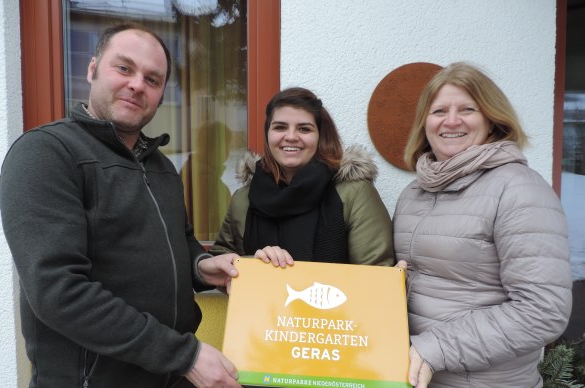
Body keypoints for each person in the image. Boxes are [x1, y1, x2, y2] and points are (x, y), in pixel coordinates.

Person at [0, 23, 242, 388]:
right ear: (92, 68)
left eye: (153, 79)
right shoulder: (45, 153)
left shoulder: (160, 165)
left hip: (168, 376)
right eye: (124, 68)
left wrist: (203, 265)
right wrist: (185, 355)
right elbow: (59, 291)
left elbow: (180, 241)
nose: (137, 85)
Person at [393, 62, 573, 387]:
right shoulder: (414, 192)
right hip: (417, 376)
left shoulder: (518, 188)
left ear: (491, 119)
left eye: (467, 109)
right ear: (424, 123)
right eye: (438, 111)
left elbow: (543, 310)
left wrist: (437, 348)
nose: (451, 121)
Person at [210, 87, 394, 267]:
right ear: (268, 135)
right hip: (263, 299)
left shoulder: (354, 194)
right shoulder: (244, 199)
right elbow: (221, 260)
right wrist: (255, 264)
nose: (290, 137)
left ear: (321, 136)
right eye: (280, 127)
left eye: (304, 129)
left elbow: (376, 276)